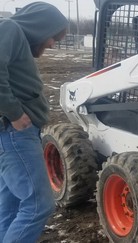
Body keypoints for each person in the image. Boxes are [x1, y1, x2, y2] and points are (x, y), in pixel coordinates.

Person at [0, 2, 67, 242]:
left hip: (11, 135)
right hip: (15, 134)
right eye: (52, 37)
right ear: (40, 27)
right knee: (39, 205)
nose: (51, 44)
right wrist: (15, 114)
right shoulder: (9, 29)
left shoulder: (15, 38)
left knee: (10, 204)